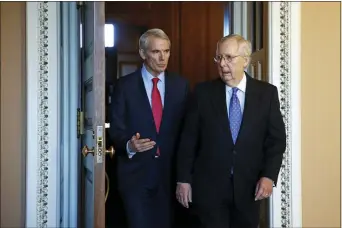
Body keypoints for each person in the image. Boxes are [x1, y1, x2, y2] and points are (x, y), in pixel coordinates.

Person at [176, 34, 286, 228]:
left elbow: (276, 140)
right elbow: (188, 140)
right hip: (209, 190)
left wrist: (269, 176)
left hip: (249, 189)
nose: (222, 64)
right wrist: (183, 179)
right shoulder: (202, 93)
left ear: (246, 61)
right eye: (219, 57)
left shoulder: (267, 94)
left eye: (229, 57)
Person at [108, 28, 189, 228]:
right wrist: (129, 145)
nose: (163, 58)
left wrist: (185, 176)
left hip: (170, 176)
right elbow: (115, 128)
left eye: (167, 51)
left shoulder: (181, 85)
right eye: (156, 52)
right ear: (143, 53)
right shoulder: (124, 86)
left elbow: (188, 132)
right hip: (135, 176)